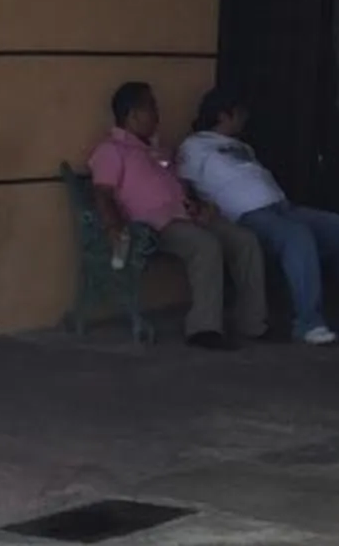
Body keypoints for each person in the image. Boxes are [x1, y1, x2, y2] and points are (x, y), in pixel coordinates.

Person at [175, 91, 339, 345]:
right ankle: (308, 323)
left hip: (283, 208)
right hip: (248, 215)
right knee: (297, 237)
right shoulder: (194, 146)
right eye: (239, 113)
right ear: (222, 114)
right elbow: (183, 185)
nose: (245, 118)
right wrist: (196, 210)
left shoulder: (243, 146)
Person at [89, 80, 268, 351]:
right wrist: (113, 225)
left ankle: (253, 322)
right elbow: (103, 192)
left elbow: (177, 185)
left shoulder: (155, 150)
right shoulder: (111, 150)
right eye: (151, 108)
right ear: (132, 115)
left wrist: (199, 204)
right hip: (152, 224)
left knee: (245, 241)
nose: (157, 114)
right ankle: (204, 328)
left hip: (187, 214)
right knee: (205, 246)